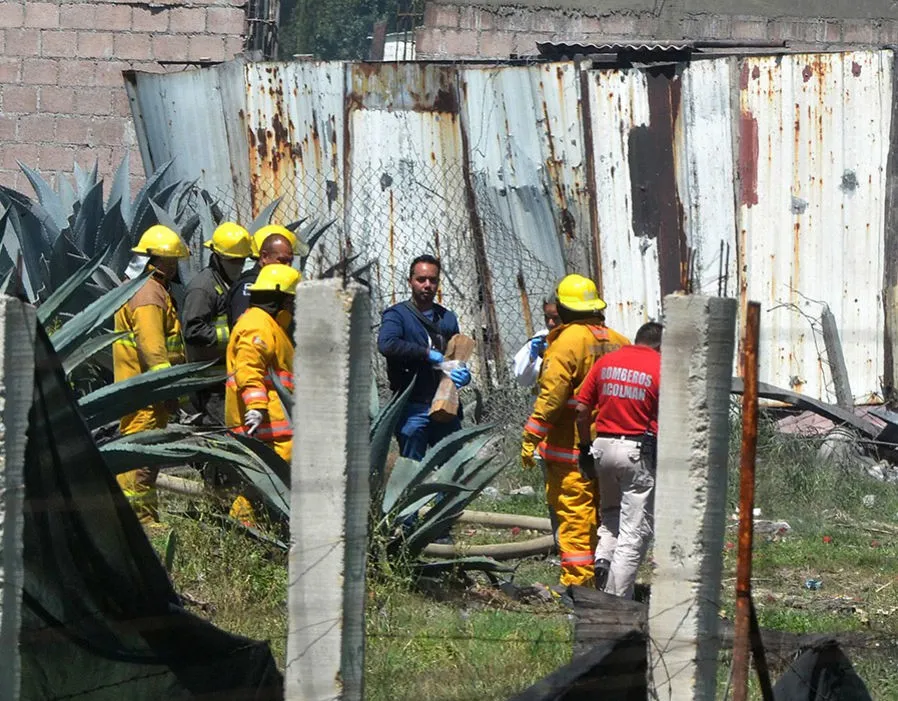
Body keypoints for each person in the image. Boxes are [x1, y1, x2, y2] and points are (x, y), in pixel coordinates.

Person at [519, 274, 629, 588]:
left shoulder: (564, 343)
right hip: (615, 447)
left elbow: (552, 397)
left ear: (564, 310)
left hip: (572, 451)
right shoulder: (620, 341)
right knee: (609, 515)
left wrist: (531, 436)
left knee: (576, 517)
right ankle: (612, 581)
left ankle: (577, 588)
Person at [575, 322, 662, 598]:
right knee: (634, 530)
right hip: (635, 451)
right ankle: (616, 599)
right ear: (661, 346)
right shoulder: (661, 367)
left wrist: (586, 448)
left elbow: (581, 408)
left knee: (611, 514)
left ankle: (602, 562)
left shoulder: (607, 362)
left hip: (602, 446)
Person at [113, 225, 190, 524]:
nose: (174, 267)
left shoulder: (144, 287)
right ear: (155, 260)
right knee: (140, 463)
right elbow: (152, 348)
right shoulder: (148, 293)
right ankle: (141, 525)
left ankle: (138, 520)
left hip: (139, 392)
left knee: (141, 461)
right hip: (146, 397)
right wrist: (168, 391)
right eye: (171, 261)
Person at [225, 263, 300, 526]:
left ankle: (253, 530)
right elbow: (249, 367)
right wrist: (256, 405)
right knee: (260, 480)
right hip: (265, 425)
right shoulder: (258, 326)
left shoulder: (268, 324)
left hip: (275, 424)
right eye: (291, 299)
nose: (293, 305)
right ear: (279, 298)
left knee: (264, 480)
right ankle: (244, 530)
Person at [377, 254, 472, 460]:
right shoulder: (397, 315)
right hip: (412, 407)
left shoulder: (446, 317)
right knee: (412, 471)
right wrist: (427, 354)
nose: (427, 285)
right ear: (410, 281)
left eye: (433, 280)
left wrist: (462, 373)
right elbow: (387, 344)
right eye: (421, 279)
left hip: (445, 405)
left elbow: (455, 355)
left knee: (452, 469)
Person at [181, 221, 252, 424]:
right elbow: (193, 330)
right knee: (220, 433)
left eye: (242, 260)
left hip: (227, 377)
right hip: (211, 384)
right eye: (233, 260)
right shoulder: (203, 288)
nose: (239, 266)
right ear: (218, 257)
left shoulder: (228, 283)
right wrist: (236, 336)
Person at [226, 225, 298, 329]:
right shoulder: (249, 285)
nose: (288, 267)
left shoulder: (278, 284)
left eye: (290, 261)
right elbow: (244, 330)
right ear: (264, 256)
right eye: (282, 260)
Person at [513, 298, 561, 388]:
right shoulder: (540, 338)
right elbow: (522, 380)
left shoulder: (575, 338)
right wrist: (532, 358)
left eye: (556, 318)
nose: (550, 323)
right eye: (547, 317)